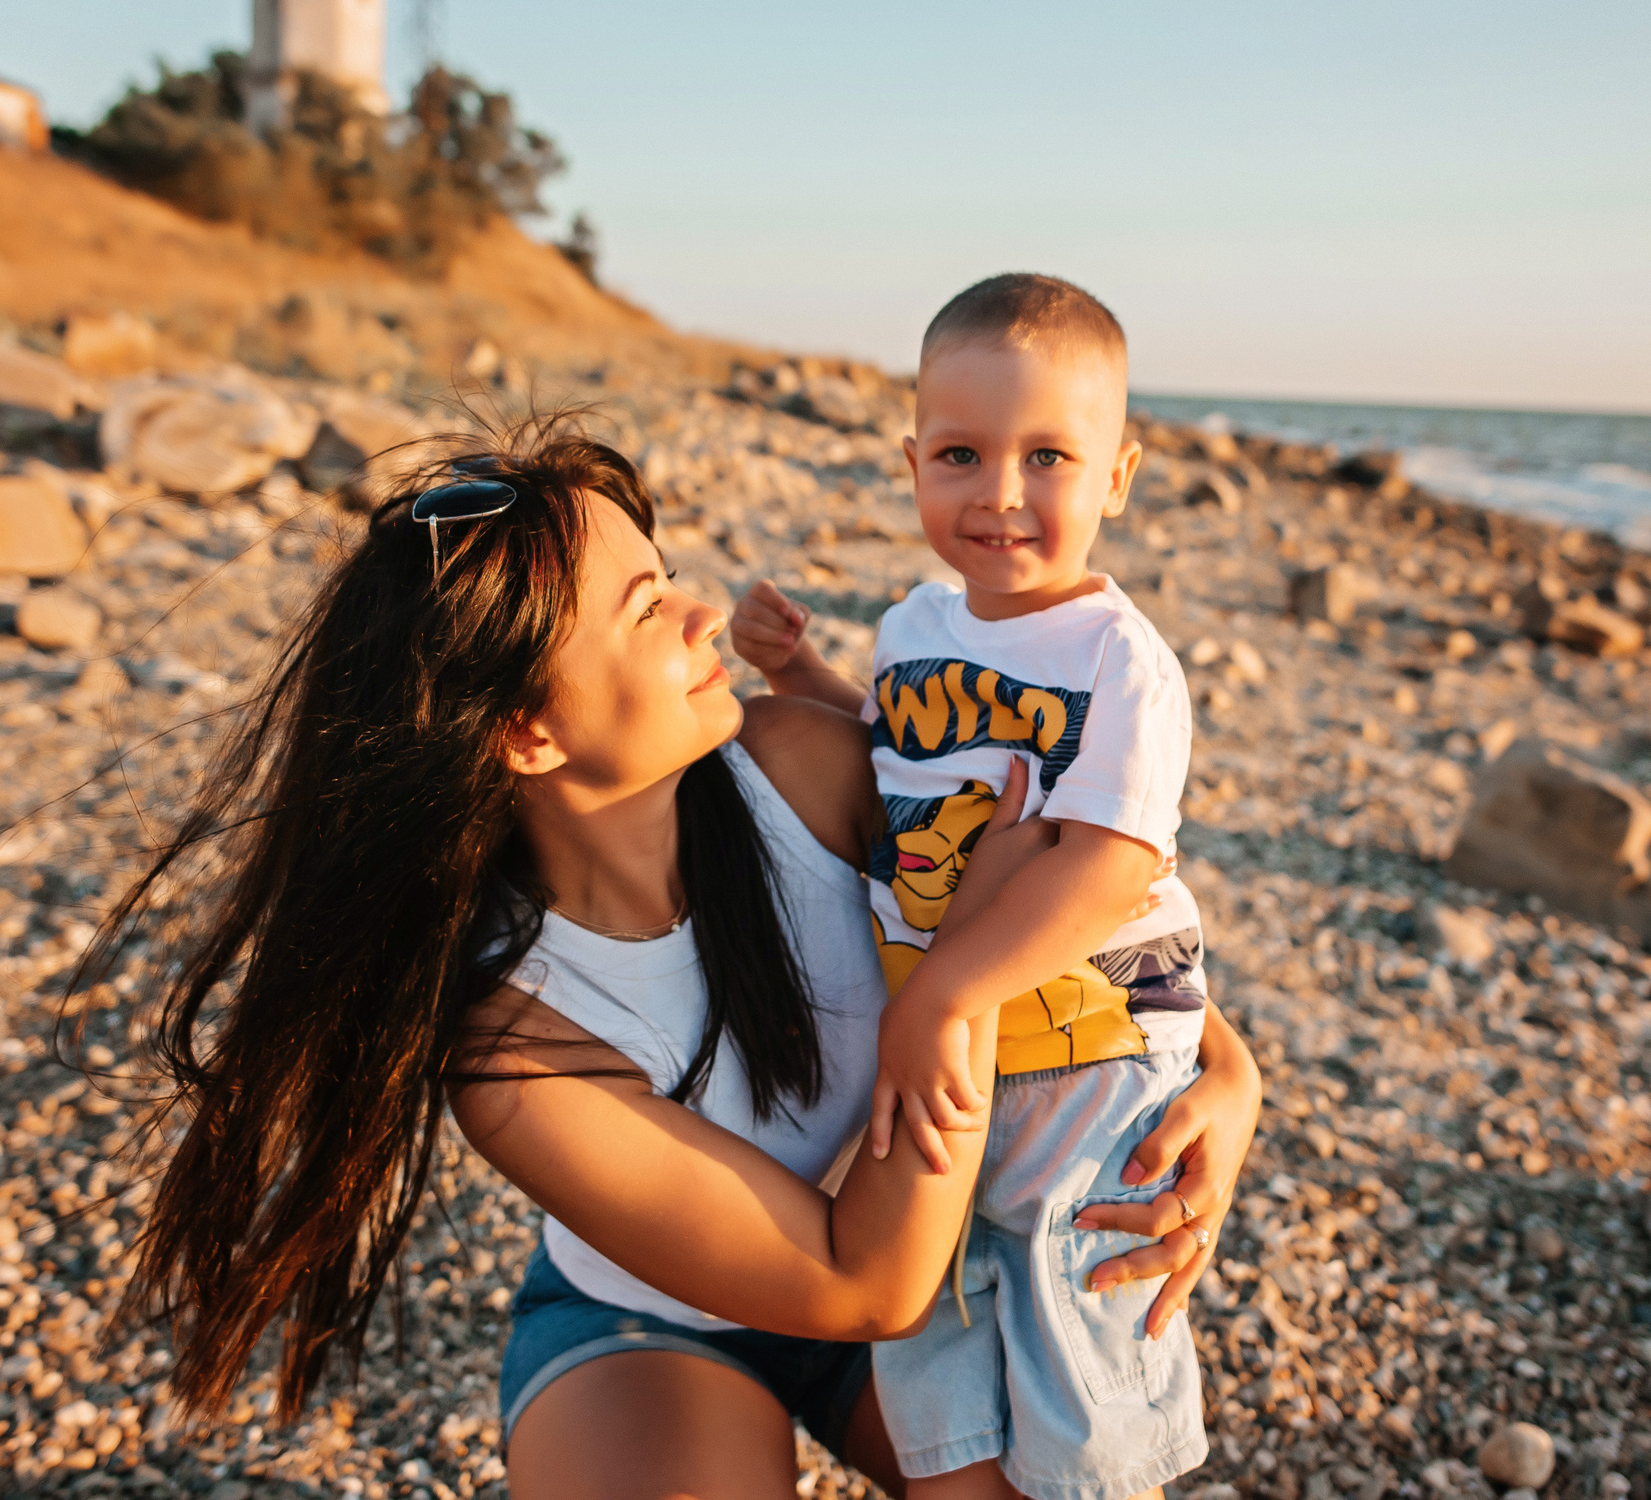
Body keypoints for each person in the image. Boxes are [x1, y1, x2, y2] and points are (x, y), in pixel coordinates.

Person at [68, 420, 1263, 1500]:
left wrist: (1222, 1064)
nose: (702, 619)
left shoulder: (802, 765)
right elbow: (864, 1283)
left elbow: (1085, 888)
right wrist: (957, 977)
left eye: (670, 580)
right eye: (644, 609)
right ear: (526, 731)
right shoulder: (512, 1040)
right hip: (662, 1323)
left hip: (934, 1245)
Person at [733, 273, 1229, 1500]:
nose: (999, 494)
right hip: (955, 1057)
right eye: (960, 453)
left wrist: (939, 989)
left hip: (1091, 1062)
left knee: (1086, 1377)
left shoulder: (1119, 657)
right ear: (912, 463)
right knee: (938, 1376)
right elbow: (902, 753)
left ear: (1117, 477)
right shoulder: (913, 623)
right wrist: (805, 672)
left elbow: (1110, 865)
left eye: (1047, 457)